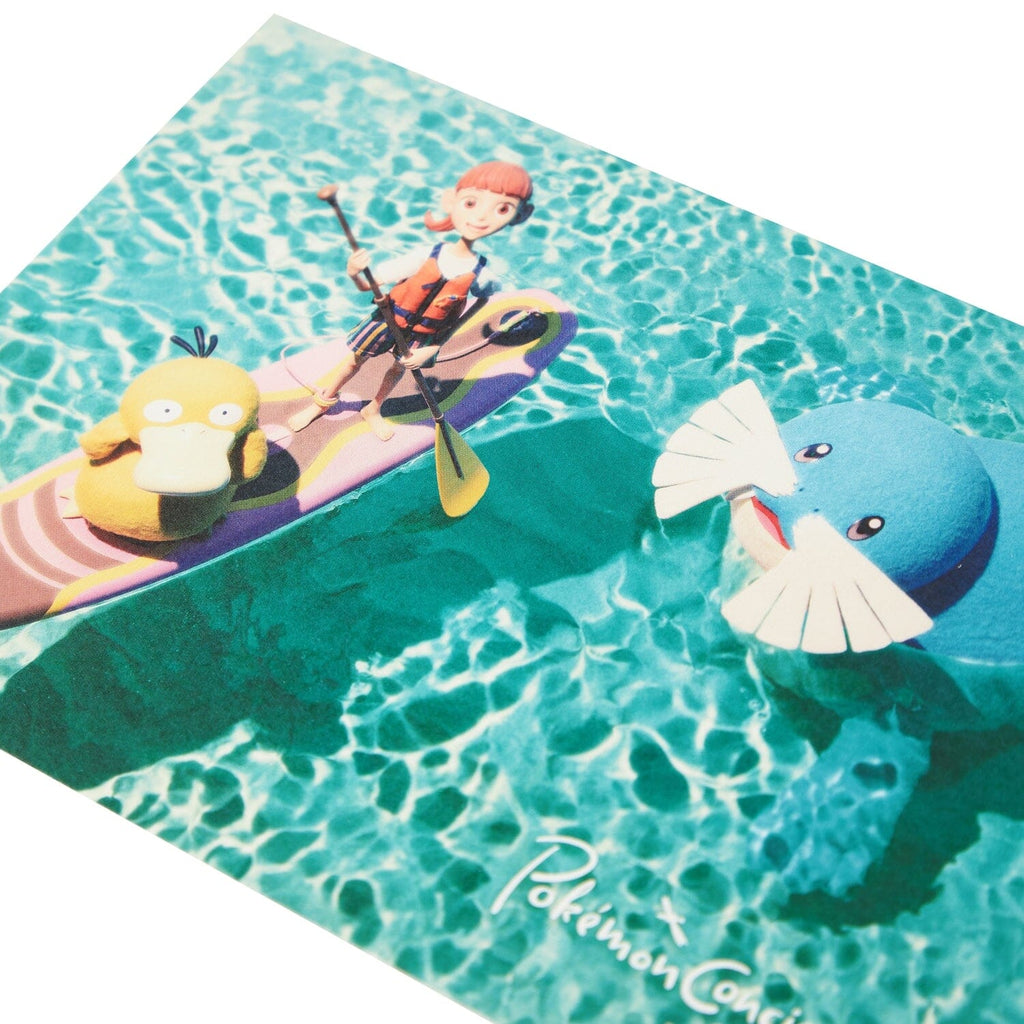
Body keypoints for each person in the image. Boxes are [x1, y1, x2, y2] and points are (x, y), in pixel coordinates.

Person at [288, 160, 534, 438]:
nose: (481, 217)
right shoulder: (425, 255)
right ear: (451, 202)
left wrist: (436, 345)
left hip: (425, 335)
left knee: (398, 369)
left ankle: (374, 408)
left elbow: (480, 302)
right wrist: (354, 273)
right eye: (471, 203)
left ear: (519, 216)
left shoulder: (483, 275)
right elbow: (370, 284)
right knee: (354, 362)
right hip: (389, 318)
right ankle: (322, 402)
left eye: (502, 209)